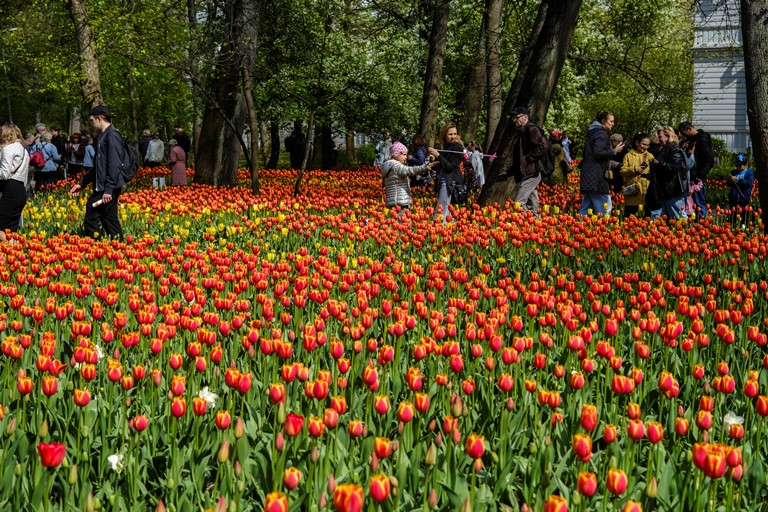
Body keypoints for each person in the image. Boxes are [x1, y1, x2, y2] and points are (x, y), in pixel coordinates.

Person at [69, 105, 125, 240]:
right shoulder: (103, 136)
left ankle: (96, 249)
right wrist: (82, 183)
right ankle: (121, 248)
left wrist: (109, 188)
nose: (91, 123)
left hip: (106, 187)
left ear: (99, 118)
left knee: (91, 218)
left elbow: (115, 164)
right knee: (109, 219)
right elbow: (98, 166)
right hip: (104, 185)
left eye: (92, 120)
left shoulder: (112, 136)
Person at [579, 111, 624, 216]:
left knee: (586, 210)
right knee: (605, 208)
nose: (613, 124)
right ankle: (606, 230)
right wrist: (614, 151)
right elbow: (598, 153)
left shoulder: (593, 132)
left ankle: (578, 228)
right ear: (604, 121)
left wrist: (616, 164)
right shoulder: (601, 134)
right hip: (596, 177)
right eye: (611, 121)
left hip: (589, 174)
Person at [504, 107, 548, 215]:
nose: (514, 120)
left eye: (516, 117)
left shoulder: (531, 129)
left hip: (532, 173)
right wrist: (509, 172)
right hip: (527, 172)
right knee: (532, 204)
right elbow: (520, 158)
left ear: (525, 117)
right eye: (513, 118)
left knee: (519, 203)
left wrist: (528, 158)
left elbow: (543, 146)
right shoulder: (522, 132)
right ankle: (535, 224)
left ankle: (524, 225)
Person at [381, 141, 437, 216]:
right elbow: (410, 170)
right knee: (403, 221)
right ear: (397, 154)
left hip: (392, 199)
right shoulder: (397, 166)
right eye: (404, 155)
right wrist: (426, 167)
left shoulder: (388, 165)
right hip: (400, 199)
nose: (406, 157)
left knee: (396, 220)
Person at [0, 123, 31, 242]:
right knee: (10, 229)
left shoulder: (8, 148)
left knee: (3, 228)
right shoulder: (24, 150)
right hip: (20, 190)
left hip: (10, 191)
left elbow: (4, 174)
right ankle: (16, 253)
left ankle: (18, 245)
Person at [650, 126, 688, 220]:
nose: (658, 140)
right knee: (664, 218)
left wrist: (659, 163)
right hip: (665, 189)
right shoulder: (664, 149)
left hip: (673, 189)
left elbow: (675, 167)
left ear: (667, 136)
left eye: (660, 137)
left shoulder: (674, 149)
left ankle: (686, 234)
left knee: (678, 217)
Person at [677, 121, 714, 217]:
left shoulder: (702, 139)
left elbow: (709, 160)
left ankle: (702, 226)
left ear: (689, 129)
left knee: (699, 203)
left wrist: (700, 175)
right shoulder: (690, 140)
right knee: (691, 204)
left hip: (697, 178)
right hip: (690, 176)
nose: (683, 135)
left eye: (684, 133)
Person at [432, 122, 464, 221]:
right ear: (444, 134)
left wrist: (438, 156)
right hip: (441, 178)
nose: (453, 137)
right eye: (450, 134)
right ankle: (445, 229)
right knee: (445, 208)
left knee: (442, 207)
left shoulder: (457, 148)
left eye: (455, 134)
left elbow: (450, 167)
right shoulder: (443, 146)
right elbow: (439, 166)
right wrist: (433, 159)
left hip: (450, 181)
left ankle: (439, 228)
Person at [620, 133, 654, 217]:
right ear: (637, 143)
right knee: (630, 217)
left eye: (647, 145)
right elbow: (622, 172)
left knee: (646, 218)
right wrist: (634, 168)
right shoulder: (628, 156)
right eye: (643, 144)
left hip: (646, 190)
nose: (645, 147)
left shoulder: (650, 156)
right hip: (633, 190)